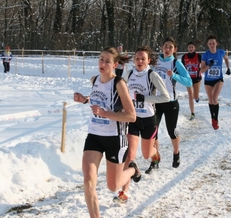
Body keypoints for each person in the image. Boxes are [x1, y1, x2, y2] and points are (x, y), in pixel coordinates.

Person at [73, 47, 141, 218]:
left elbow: (131, 116)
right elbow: (99, 100)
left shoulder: (119, 84)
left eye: (107, 61)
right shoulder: (95, 79)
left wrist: (105, 114)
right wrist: (84, 100)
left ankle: (132, 169)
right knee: (88, 180)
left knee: (113, 186)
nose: (102, 63)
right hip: (94, 136)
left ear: (115, 64)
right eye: (101, 59)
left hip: (115, 139)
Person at [114, 46, 170, 203]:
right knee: (130, 155)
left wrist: (144, 99)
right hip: (132, 119)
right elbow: (121, 89)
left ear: (148, 61)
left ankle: (155, 154)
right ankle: (124, 192)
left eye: (143, 59)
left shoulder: (152, 75)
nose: (139, 61)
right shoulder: (129, 74)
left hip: (149, 120)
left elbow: (166, 97)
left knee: (146, 154)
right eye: (137, 58)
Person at [148, 37, 192, 173]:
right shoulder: (155, 61)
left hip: (171, 103)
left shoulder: (176, 63)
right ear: (162, 47)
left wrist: (174, 75)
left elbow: (189, 82)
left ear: (175, 49)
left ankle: (176, 152)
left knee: (172, 131)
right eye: (165, 46)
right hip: (157, 102)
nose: (167, 49)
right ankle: (155, 160)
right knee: (152, 133)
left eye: (170, 47)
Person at [200, 34, 231, 130]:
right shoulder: (205, 55)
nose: (212, 45)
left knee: (214, 99)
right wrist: (209, 65)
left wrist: (228, 68)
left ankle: (215, 120)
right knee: (210, 100)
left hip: (218, 79)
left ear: (216, 43)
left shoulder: (221, 52)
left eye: (213, 43)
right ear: (207, 45)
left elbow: (226, 58)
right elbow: (201, 71)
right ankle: (212, 118)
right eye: (210, 44)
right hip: (208, 81)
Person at [181, 41, 202, 120]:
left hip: (197, 78)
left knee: (195, 96)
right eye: (189, 47)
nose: (191, 48)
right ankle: (192, 113)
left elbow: (203, 64)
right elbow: (182, 68)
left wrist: (198, 69)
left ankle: (197, 97)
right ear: (187, 48)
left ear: (194, 48)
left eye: (192, 47)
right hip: (188, 79)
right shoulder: (184, 57)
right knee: (190, 95)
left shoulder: (198, 56)